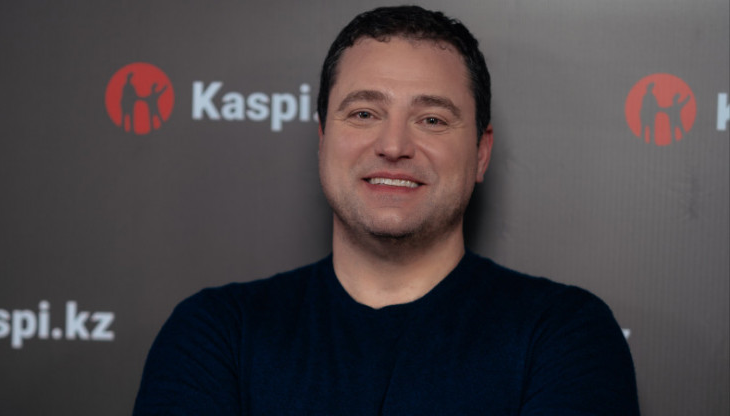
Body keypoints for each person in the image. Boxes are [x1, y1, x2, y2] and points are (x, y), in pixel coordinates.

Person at [133, 5, 640, 415]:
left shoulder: (564, 336)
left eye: (432, 119)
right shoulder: (217, 333)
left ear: (482, 153)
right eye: (363, 113)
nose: (394, 145)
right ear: (322, 141)